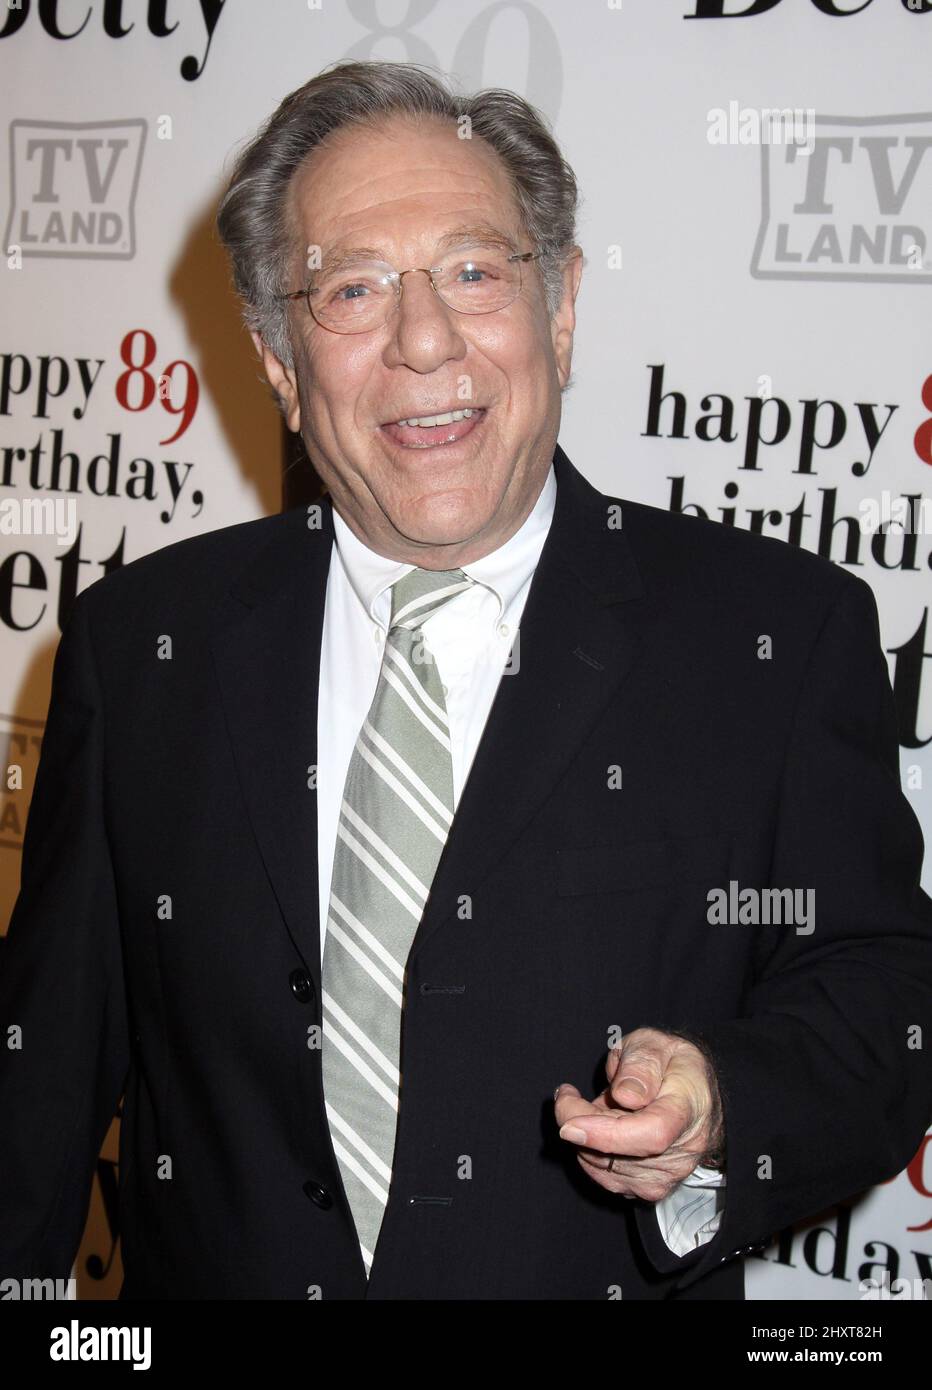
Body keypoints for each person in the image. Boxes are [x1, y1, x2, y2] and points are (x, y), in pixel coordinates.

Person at [1, 60, 930, 1301]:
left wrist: (723, 1100)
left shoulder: (770, 637)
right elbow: (40, 1089)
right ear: (278, 359)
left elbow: (876, 990)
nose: (423, 340)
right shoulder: (143, 646)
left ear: (560, 307)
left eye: (475, 272)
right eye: (351, 290)